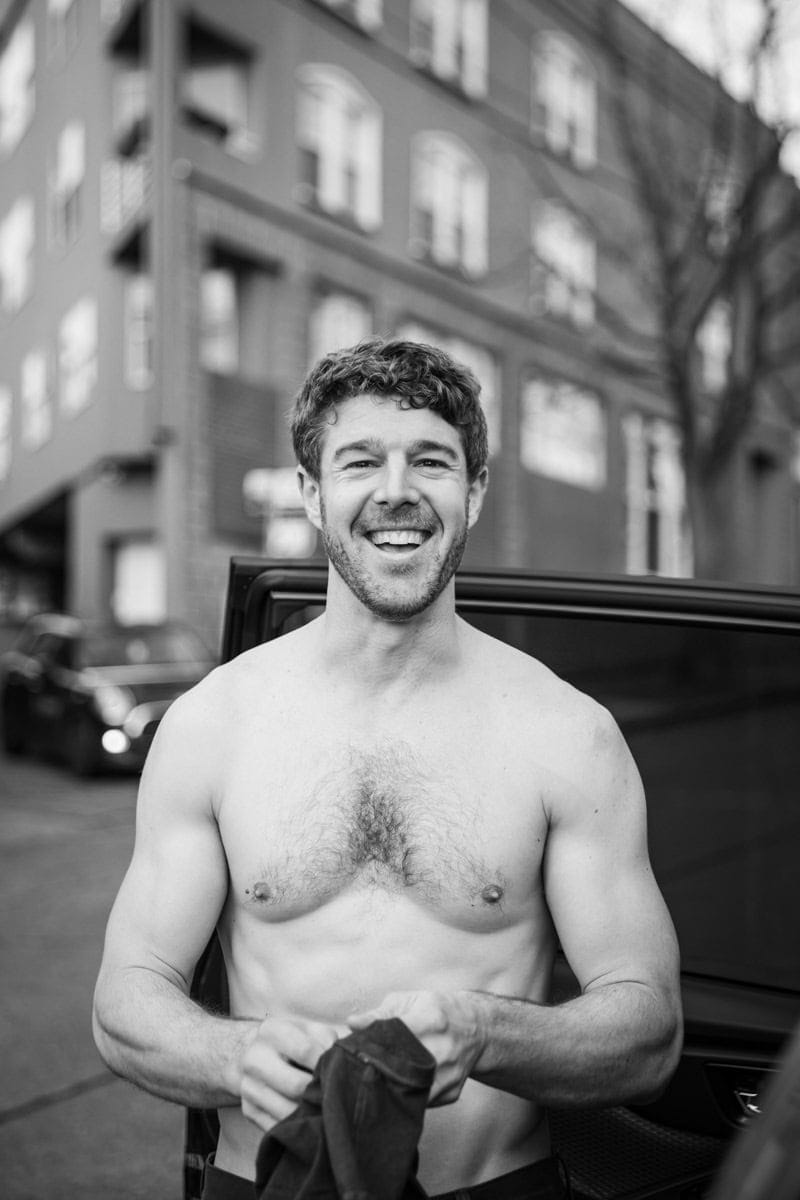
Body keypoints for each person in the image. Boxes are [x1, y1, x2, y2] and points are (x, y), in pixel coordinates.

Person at [93, 337, 682, 1200]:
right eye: (360, 460)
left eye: (433, 461)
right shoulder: (213, 725)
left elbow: (649, 1031)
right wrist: (236, 1055)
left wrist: (482, 1034)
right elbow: (125, 1000)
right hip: (268, 1184)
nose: (396, 490)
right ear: (311, 492)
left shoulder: (568, 735)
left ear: (473, 492)